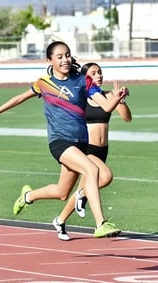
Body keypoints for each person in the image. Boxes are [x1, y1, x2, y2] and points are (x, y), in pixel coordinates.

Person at [0, 41, 127, 238]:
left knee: (62, 192)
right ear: (49, 60)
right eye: (59, 57)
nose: (65, 59)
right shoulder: (44, 83)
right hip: (60, 142)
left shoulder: (84, 81)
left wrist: (117, 98)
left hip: (81, 144)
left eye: (67, 55)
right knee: (92, 170)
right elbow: (19, 98)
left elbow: (107, 107)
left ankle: (28, 196)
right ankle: (101, 223)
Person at [52, 62, 132, 240]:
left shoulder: (108, 96)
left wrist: (121, 99)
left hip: (103, 150)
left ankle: (60, 220)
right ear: (85, 77)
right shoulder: (81, 97)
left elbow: (127, 118)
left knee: (80, 189)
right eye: (94, 73)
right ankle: (98, 220)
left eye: (100, 72)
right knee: (105, 177)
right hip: (86, 149)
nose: (99, 76)